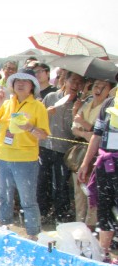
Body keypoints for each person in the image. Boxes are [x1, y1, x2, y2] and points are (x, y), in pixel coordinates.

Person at [0, 68, 50, 240]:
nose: (21, 84)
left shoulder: (38, 106)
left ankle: (33, 235)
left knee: (27, 200)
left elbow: (44, 135)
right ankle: (4, 229)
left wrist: (29, 127)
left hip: (25, 159)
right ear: (12, 85)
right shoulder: (7, 104)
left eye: (26, 81)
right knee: (4, 197)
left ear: (32, 86)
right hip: (3, 156)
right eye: (17, 81)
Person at [39, 71, 86, 223]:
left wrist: (75, 112)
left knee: (61, 184)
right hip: (44, 146)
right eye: (73, 80)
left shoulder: (81, 103)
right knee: (42, 181)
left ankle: (61, 215)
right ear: (65, 81)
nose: (75, 85)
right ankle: (42, 212)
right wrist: (46, 113)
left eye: (79, 82)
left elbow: (76, 130)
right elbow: (39, 120)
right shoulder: (51, 97)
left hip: (65, 150)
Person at [78, 97, 118, 263]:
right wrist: (85, 163)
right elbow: (97, 135)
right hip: (105, 164)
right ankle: (104, 254)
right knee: (104, 209)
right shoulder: (109, 103)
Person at [71, 78, 115, 228]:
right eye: (96, 85)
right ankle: (80, 228)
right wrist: (84, 132)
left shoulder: (107, 104)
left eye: (103, 86)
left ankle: (91, 228)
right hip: (86, 153)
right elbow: (76, 128)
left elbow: (91, 131)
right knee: (82, 193)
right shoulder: (99, 105)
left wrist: (84, 126)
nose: (98, 89)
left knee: (97, 199)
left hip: (105, 158)